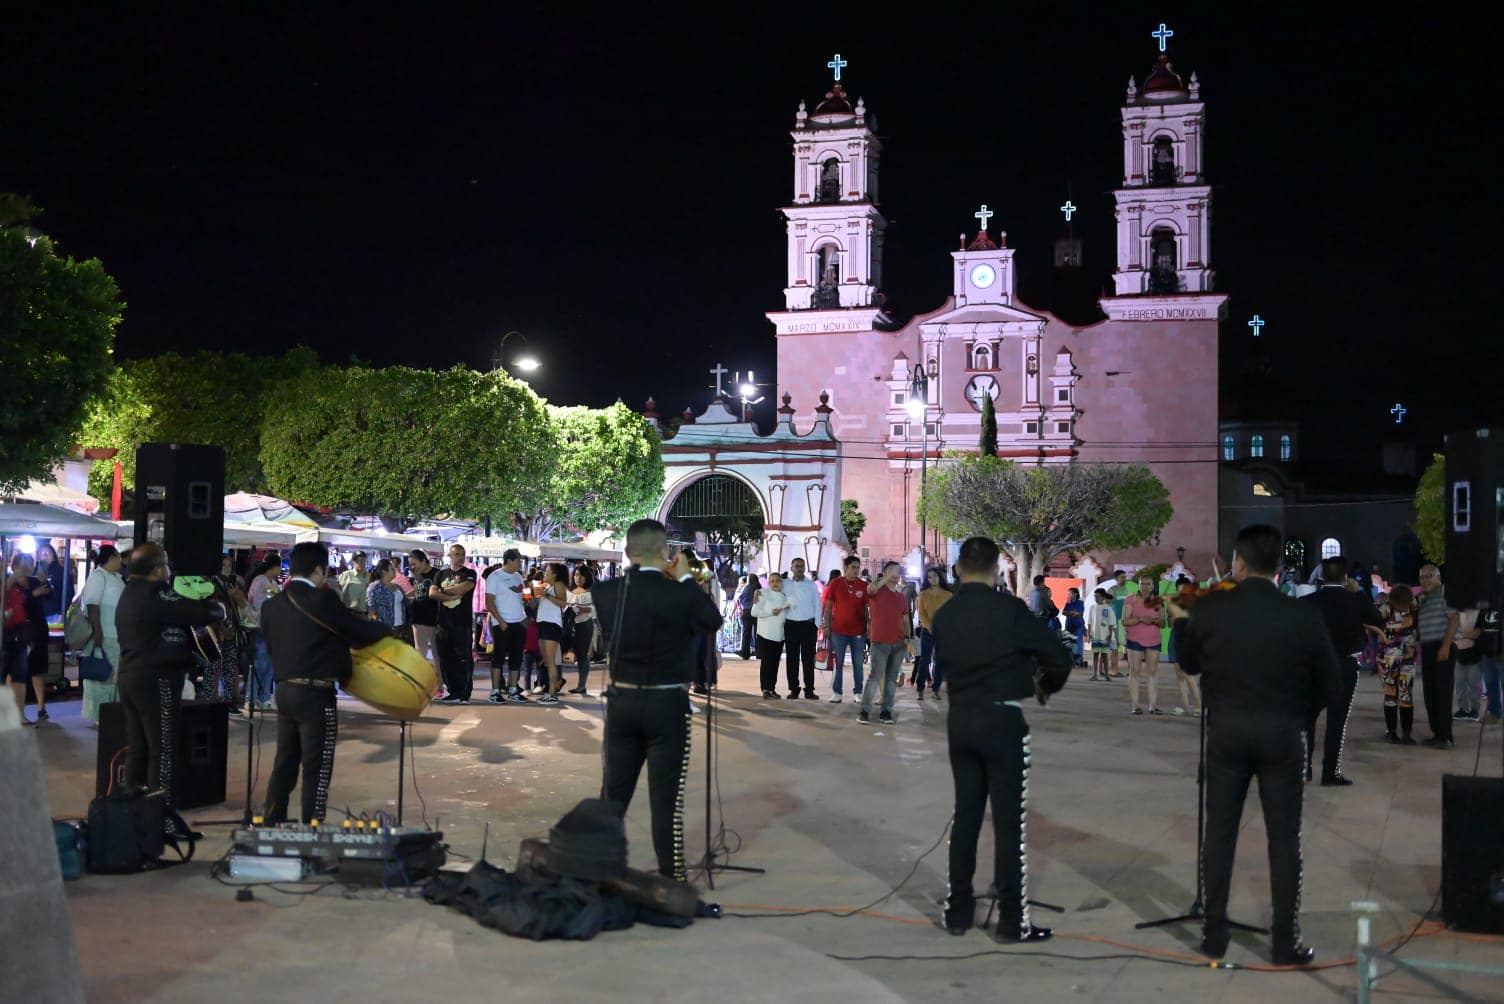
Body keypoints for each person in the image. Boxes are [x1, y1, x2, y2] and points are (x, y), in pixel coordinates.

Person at [1179, 524, 1341, 966]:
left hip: (1227, 729)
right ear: (1279, 567)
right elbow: (1332, 682)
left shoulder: (1212, 608)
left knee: (1220, 833)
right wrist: (1297, 711)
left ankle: (1215, 934)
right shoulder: (1302, 614)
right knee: (1284, 838)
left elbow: (1189, 660)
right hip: (1283, 733)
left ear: (1239, 562)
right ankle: (1284, 940)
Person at [933, 536, 1071, 942]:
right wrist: (1044, 685)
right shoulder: (1009, 609)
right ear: (997, 569)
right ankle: (1012, 921)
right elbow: (1057, 656)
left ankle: (958, 913)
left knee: (966, 818)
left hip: (961, 720)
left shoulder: (945, 615)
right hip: (1003, 718)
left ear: (959, 568)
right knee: (1009, 825)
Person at [593, 519, 723, 881]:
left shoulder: (606, 593)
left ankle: (600, 872)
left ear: (628, 551)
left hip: (622, 700)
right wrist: (684, 578)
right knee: (666, 801)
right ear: (665, 553)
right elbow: (712, 620)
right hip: (667, 704)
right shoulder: (679, 593)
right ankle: (672, 878)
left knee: (614, 794)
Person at [259, 542, 391, 824]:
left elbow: (270, 647)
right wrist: (384, 630)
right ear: (319, 570)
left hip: (284, 690)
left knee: (285, 762)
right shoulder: (324, 600)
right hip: (316, 693)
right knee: (316, 768)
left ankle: (271, 823)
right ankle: (312, 828)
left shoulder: (271, 606)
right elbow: (358, 631)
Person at [114, 543, 225, 836]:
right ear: (155, 570)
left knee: (138, 747)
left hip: (131, 676)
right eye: (164, 565)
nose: (168, 570)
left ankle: (133, 813)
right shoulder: (156, 593)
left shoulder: (129, 593)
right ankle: (161, 821)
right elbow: (195, 610)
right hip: (156, 679)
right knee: (162, 749)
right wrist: (219, 607)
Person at [1301, 557, 1385, 784]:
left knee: (1308, 717)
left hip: (1314, 665)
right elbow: (1377, 619)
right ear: (1345, 577)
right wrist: (1359, 593)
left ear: (1321, 576)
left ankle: (1303, 769)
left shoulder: (1308, 601)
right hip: (1345, 665)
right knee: (1337, 721)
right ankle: (1330, 773)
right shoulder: (1354, 600)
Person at [861, 561, 913, 724]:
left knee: (891, 679)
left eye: (898, 571)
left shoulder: (900, 596)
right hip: (880, 640)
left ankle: (886, 711)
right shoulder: (877, 591)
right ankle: (864, 711)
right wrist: (886, 576)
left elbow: (905, 618)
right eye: (892, 571)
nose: (896, 574)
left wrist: (907, 637)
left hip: (898, 642)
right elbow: (870, 589)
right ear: (885, 573)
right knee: (875, 676)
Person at [80, 545, 126, 724]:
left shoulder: (115, 578)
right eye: (118, 556)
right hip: (104, 635)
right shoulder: (99, 577)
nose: (120, 560)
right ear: (112, 557)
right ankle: (100, 717)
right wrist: (98, 632)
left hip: (116, 635)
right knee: (102, 676)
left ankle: (111, 714)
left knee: (113, 677)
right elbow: (92, 605)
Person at [1415, 564, 1459, 749]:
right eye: (1422, 577)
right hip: (1427, 648)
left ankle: (1445, 736)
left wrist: (1446, 645)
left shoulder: (1444, 593)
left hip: (1441, 647)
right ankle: (1437, 733)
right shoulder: (1422, 598)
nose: (1425, 580)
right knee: (1430, 693)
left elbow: (1454, 619)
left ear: (1438, 577)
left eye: (1429, 576)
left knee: (1442, 693)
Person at [431, 545, 478, 705]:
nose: (460, 557)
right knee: (445, 658)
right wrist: (452, 595)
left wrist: (444, 591)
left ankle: (464, 693)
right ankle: (453, 692)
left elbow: (465, 587)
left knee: (463, 658)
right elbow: (432, 593)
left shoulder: (469, 573)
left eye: (462, 554)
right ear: (449, 556)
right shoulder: (440, 573)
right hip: (443, 623)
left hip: (462, 623)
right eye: (456, 554)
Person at [482, 548, 528, 704]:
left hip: (519, 622)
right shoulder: (495, 577)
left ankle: (513, 688)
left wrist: (525, 618)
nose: (520, 563)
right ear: (509, 560)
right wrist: (500, 620)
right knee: (499, 657)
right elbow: (489, 601)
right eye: (518, 560)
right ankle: (495, 691)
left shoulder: (518, 577)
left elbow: (521, 597)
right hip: (502, 623)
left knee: (517, 657)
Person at [823, 556, 869, 703]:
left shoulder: (863, 585)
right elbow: (828, 607)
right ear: (845, 568)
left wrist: (869, 627)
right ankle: (837, 692)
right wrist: (827, 626)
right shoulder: (836, 584)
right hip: (838, 631)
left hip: (858, 632)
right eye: (853, 567)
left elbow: (867, 609)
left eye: (857, 567)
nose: (856, 570)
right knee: (838, 663)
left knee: (858, 663)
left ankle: (858, 692)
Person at [1379, 586, 1420, 744]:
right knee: (1390, 694)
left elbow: (1415, 621)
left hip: (1408, 656)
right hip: (1388, 658)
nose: (1403, 608)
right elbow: (1369, 621)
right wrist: (1383, 633)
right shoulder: (1385, 607)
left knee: (1406, 694)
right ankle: (1391, 732)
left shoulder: (1413, 603)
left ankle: (1407, 733)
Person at [1122, 575, 1167, 715]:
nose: (1145, 587)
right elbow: (1124, 621)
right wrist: (1141, 619)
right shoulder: (1131, 599)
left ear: (1153, 586)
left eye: (1148, 584)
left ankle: (1153, 706)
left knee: (1152, 673)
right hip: (1134, 640)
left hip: (1154, 641)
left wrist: (1155, 621)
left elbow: (1163, 623)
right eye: (1142, 584)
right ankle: (1135, 705)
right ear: (1139, 585)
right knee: (1135, 672)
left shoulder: (1158, 602)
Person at [16, 553, 52, 721]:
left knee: (37, 671)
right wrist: (32, 595)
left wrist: (44, 581)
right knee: (18, 672)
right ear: (15, 566)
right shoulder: (11, 583)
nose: (28, 567)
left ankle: (41, 708)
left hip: (37, 630)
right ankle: (18, 711)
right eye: (24, 564)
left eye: (30, 563)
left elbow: (50, 595)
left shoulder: (35, 581)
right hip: (19, 632)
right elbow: (14, 605)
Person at [780, 557, 821, 700]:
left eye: (802, 567)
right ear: (791, 568)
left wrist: (816, 625)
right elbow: (771, 591)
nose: (800, 569)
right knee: (792, 659)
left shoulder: (811, 585)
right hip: (791, 625)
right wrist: (757, 593)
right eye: (797, 566)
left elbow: (818, 604)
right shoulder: (785, 584)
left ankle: (809, 689)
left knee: (808, 659)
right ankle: (794, 689)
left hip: (808, 626)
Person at [246, 558, 282, 709]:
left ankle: (265, 696)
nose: (280, 570)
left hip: (271, 628)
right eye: (279, 567)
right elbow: (253, 602)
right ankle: (251, 697)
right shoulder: (260, 581)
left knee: (270, 663)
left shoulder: (273, 583)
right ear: (274, 567)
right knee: (260, 662)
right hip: (260, 627)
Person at [914, 566, 953, 700]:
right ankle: (920, 689)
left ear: (940, 577)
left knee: (939, 661)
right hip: (927, 631)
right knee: (924, 660)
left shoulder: (948, 595)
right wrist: (930, 627)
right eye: (930, 577)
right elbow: (921, 613)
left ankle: (936, 689)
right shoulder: (923, 594)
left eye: (935, 576)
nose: (933, 579)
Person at [3, 556, 33, 723]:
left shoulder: (19, 584)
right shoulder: (8, 583)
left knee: (20, 675)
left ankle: (20, 714)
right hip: (3, 633)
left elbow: (28, 600)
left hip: (19, 634)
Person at [751, 570, 791, 699]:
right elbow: (754, 612)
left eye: (778, 581)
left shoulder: (785, 596)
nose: (775, 583)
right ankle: (765, 689)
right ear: (768, 583)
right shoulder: (763, 594)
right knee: (767, 663)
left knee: (775, 664)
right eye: (772, 581)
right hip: (765, 635)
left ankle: (772, 688)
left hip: (779, 636)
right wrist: (770, 612)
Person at [534, 562, 569, 704]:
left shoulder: (558, 584)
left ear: (554, 574)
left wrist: (546, 595)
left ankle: (552, 693)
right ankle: (553, 687)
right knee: (547, 661)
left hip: (552, 624)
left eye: (548, 570)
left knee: (551, 661)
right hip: (542, 623)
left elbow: (563, 603)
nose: (544, 572)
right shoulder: (546, 586)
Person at [407, 550, 441, 689]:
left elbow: (439, 594)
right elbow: (418, 592)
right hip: (417, 617)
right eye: (410, 565)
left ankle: (439, 685)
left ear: (423, 561)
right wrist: (405, 596)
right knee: (419, 651)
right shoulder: (417, 575)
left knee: (436, 652)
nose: (413, 567)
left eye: (414, 564)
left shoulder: (437, 574)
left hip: (433, 617)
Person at [567, 565, 596, 694]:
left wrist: (583, 609)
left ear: (587, 577)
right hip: (570, 626)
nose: (578, 577)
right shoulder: (570, 592)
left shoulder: (591, 592)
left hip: (584, 625)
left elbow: (596, 609)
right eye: (576, 574)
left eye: (581, 575)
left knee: (582, 656)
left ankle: (581, 685)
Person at [1452, 603, 1483, 722]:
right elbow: (1452, 630)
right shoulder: (1456, 610)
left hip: (1474, 653)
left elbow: (1477, 633)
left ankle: (1475, 710)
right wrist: (1464, 634)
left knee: (1474, 683)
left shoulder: (1478, 610)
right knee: (1460, 683)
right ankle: (1463, 709)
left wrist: (1460, 634)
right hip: (1458, 652)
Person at [1087, 588, 1118, 682]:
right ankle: (1094, 675)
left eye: (1098, 596)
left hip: (1105, 636)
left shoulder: (1108, 608)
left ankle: (1107, 675)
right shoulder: (1092, 608)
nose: (1096, 598)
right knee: (1095, 655)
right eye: (1095, 596)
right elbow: (1089, 622)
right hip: (1095, 636)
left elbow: (1112, 624)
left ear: (1103, 597)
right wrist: (1089, 634)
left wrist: (1110, 636)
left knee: (1105, 656)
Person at [1479, 599, 1502, 725]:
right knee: (1490, 681)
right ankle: (1495, 713)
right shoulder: (1484, 601)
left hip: (1501, 648)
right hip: (1487, 648)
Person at [737, 574, 761, 661]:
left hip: (746, 612)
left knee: (746, 633)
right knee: (758, 633)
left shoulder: (746, 588)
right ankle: (759, 653)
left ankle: (745, 653)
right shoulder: (759, 588)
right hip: (757, 612)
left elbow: (740, 599)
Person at [1062, 587, 1086, 667]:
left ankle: (1079, 661)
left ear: (1076, 594)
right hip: (1069, 626)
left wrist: (1070, 613)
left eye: (1070, 593)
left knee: (1078, 644)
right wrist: (1071, 613)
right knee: (1069, 644)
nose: (1068, 595)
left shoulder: (1080, 603)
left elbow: (1078, 613)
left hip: (1078, 626)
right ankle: (1071, 661)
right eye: (1068, 594)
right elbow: (1063, 612)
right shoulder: (1068, 603)